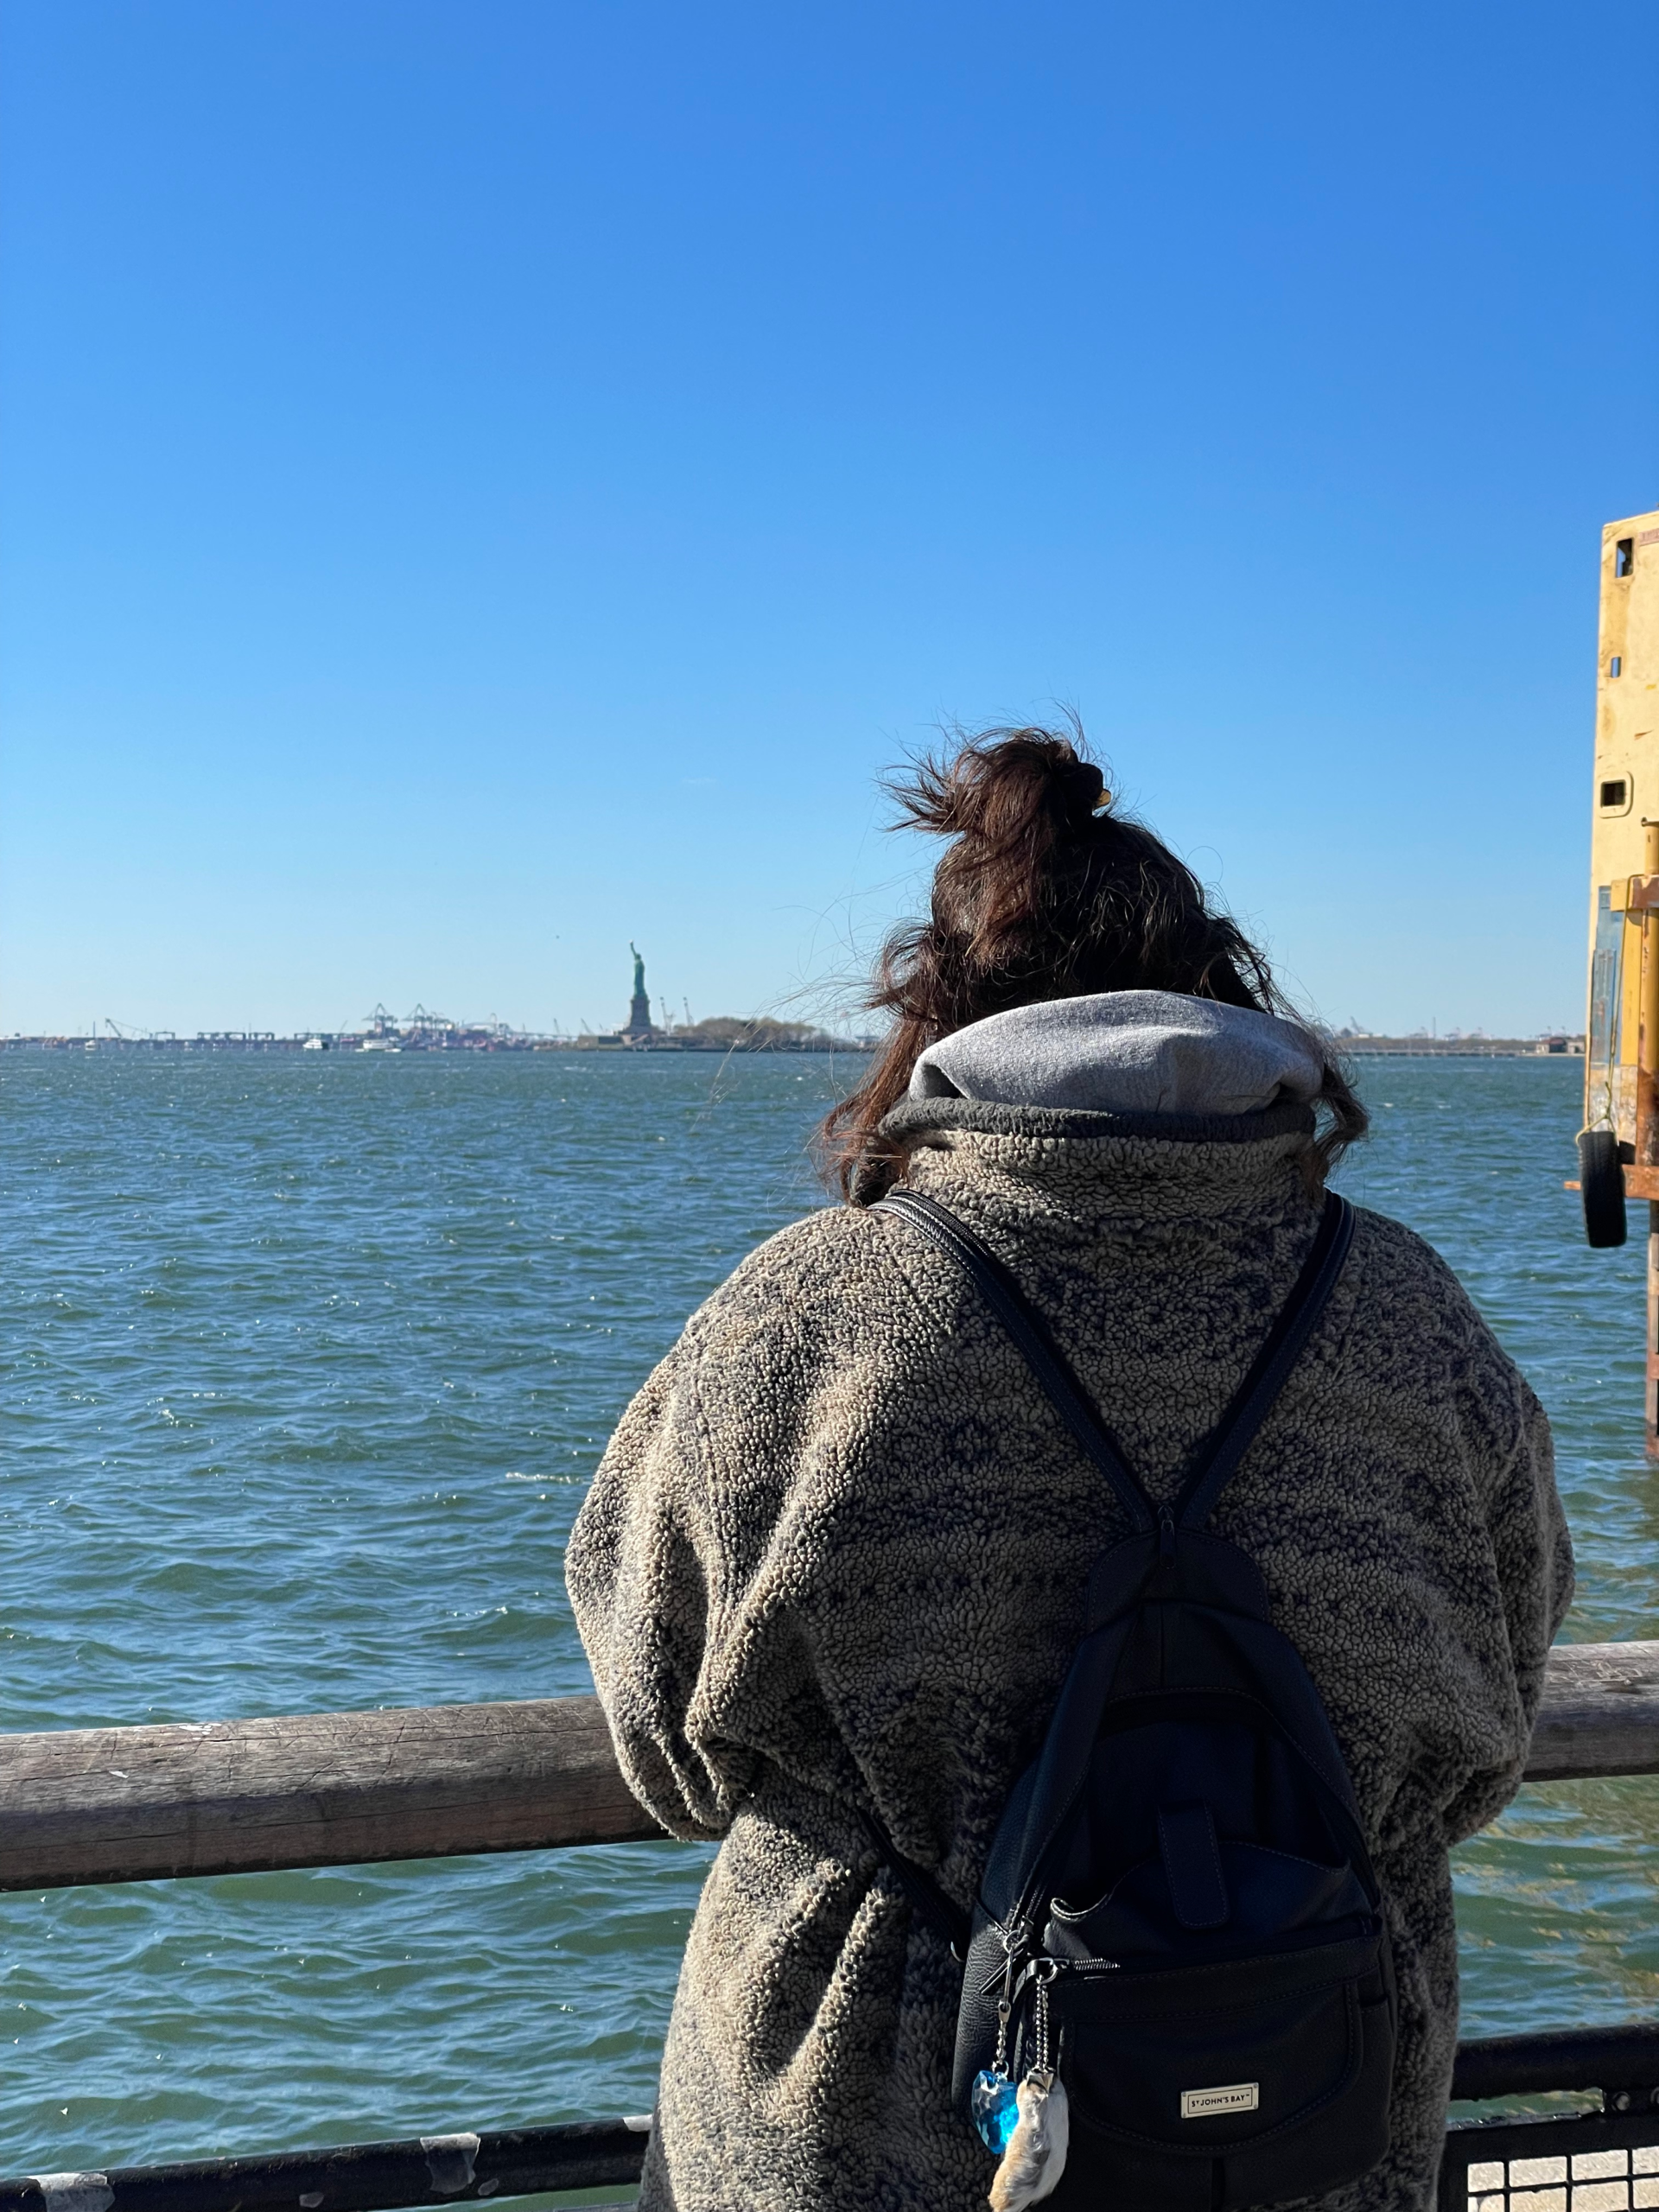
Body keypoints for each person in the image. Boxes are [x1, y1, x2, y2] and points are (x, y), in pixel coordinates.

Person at [566, 727, 1573, 2212]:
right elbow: (1494, 1719)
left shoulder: (802, 1320)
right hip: (1305, 2109)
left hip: (863, 2129)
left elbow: (664, 1743)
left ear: (939, 1006)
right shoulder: (1416, 1322)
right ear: (1222, 986)